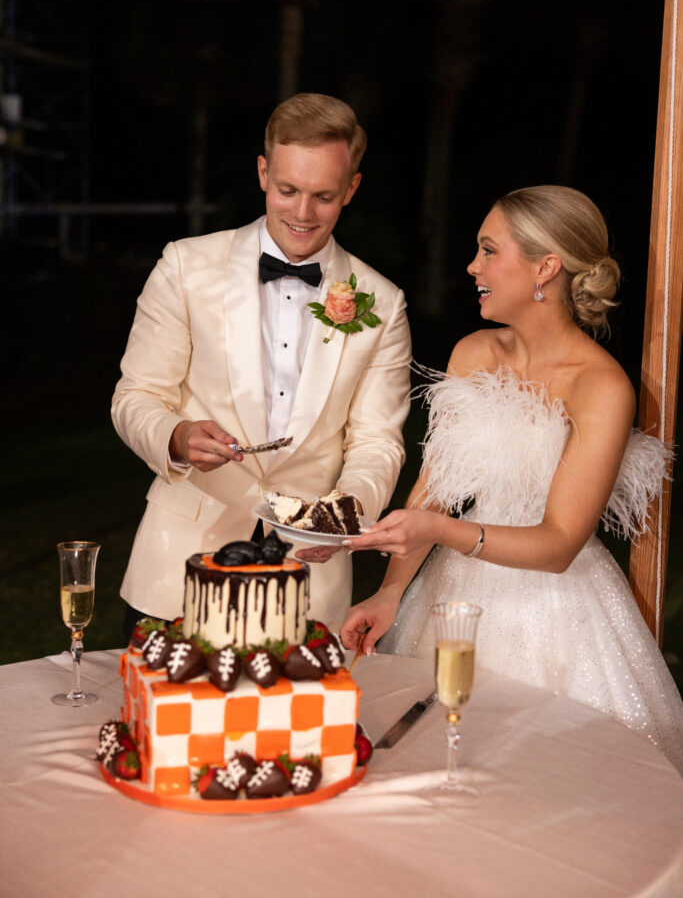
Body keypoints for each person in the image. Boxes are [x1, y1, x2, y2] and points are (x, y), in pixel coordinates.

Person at [341, 185, 683, 772]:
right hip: (452, 602)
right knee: (434, 766)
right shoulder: (473, 353)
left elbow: (557, 545)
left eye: (488, 250)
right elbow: (436, 490)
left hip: (558, 611)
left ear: (545, 267)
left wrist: (440, 530)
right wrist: (393, 590)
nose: (472, 266)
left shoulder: (600, 387)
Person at [113, 93, 412, 639]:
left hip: (309, 578)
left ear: (351, 188)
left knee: (291, 724)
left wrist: (344, 511)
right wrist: (175, 435)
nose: (302, 214)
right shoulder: (185, 265)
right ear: (262, 172)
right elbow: (135, 397)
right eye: (288, 190)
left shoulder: (383, 302)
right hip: (176, 567)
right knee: (163, 720)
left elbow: (378, 441)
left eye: (323, 196)